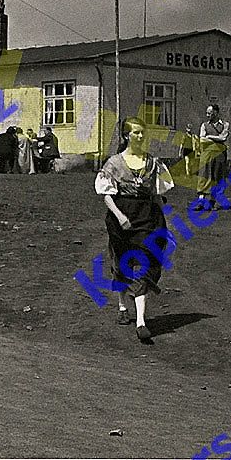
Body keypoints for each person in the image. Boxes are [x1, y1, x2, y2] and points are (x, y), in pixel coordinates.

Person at [95, 117, 175, 342]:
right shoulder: (113, 163)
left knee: (144, 264)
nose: (140, 136)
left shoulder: (153, 163)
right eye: (136, 133)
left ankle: (141, 322)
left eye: (142, 133)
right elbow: (107, 197)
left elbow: (157, 195)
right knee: (122, 261)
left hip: (147, 218)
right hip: (122, 216)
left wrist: (162, 213)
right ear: (126, 136)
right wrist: (120, 217)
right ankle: (122, 306)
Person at [193, 105, 229, 211]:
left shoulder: (225, 125)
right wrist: (216, 139)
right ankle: (200, 201)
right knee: (204, 175)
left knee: (217, 176)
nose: (207, 115)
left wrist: (209, 137)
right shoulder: (204, 125)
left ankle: (213, 202)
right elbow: (202, 140)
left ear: (216, 113)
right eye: (207, 113)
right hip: (207, 153)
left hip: (220, 154)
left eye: (210, 113)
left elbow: (224, 137)